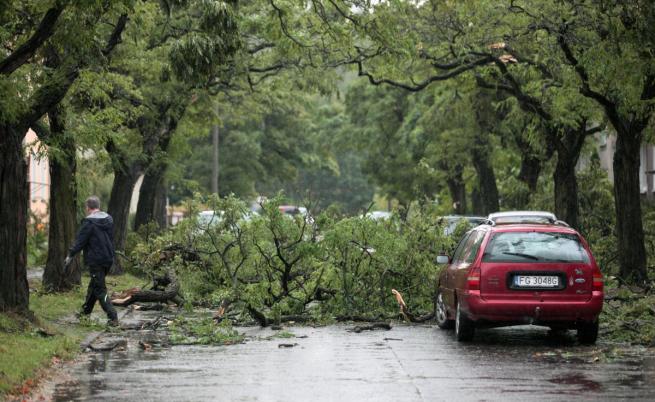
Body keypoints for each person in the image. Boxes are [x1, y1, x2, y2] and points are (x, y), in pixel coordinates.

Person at [65, 196, 119, 326]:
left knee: (100, 289)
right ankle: (85, 313)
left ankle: (113, 316)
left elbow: (80, 241)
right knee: (94, 286)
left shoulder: (89, 222)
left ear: (88, 208)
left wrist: (70, 256)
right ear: (98, 206)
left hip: (96, 260)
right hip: (108, 258)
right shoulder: (108, 219)